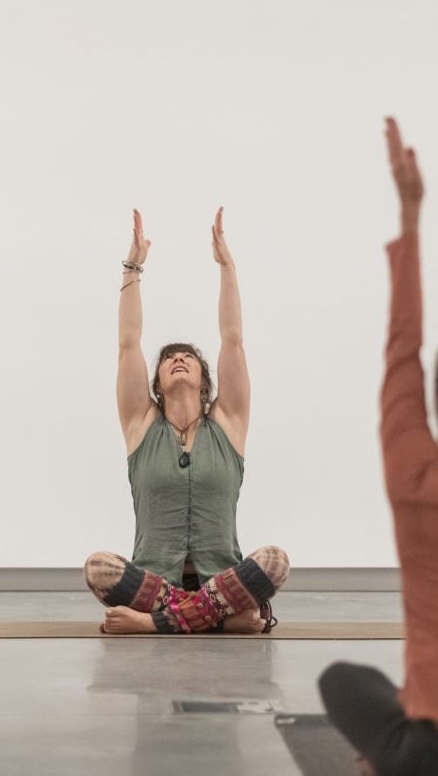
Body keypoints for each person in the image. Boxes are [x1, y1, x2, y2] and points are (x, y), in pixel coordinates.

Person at [318, 119, 438, 775]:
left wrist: (410, 215)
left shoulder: (413, 479)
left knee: (344, 680)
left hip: (435, 753)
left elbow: (401, 346)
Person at [84, 207, 289, 634]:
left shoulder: (228, 423)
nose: (178, 358)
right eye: (169, 359)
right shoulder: (141, 425)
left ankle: (156, 624)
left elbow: (233, 339)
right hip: (157, 582)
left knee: (274, 560)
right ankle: (219, 618)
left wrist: (227, 266)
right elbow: (128, 344)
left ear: (204, 379)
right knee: (99, 567)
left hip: (221, 578)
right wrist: (133, 267)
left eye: (189, 357)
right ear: (156, 383)